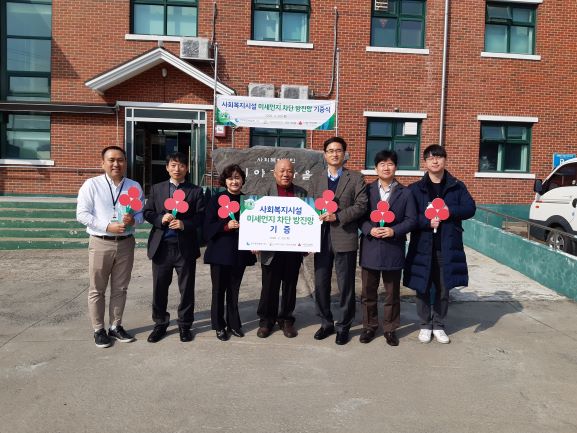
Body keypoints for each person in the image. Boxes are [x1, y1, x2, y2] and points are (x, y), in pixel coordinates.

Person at [403, 144, 476, 344]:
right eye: (431, 158)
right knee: (422, 286)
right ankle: (425, 324)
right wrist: (427, 222)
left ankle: (439, 324)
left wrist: (448, 210)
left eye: (439, 157)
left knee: (444, 288)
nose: (435, 161)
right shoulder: (416, 189)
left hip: (447, 246)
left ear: (445, 160)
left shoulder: (456, 186)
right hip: (423, 246)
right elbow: (409, 217)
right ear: (425, 162)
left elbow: (470, 208)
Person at [76, 145, 144, 348]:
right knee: (97, 289)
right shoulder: (92, 185)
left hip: (126, 243)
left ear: (125, 162)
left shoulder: (134, 186)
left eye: (120, 160)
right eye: (111, 160)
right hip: (100, 242)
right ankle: (98, 329)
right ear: (103, 163)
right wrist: (107, 226)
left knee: (120, 288)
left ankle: (116, 326)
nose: (116, 164)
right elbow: (82, 214)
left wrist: (133, 220)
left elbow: (141, 215)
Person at [309, 137, 368, 345]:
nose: (334, 154)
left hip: (345, 234)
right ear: (324, 155)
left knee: (346, 284)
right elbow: (309, 206)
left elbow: (362, 205)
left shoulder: (355, 178)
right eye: (330, 150)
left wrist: (339, 215)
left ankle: (344, 325)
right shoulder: (316, 178)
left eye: (338, 150)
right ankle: (326, 323)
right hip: (320, 237)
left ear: (344, 154)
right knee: (321, 281)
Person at [143, 152, 205, 343]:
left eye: (181, 165)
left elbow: (201, 217)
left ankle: (185, 326)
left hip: (184, 248)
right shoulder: (157, 189)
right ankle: (160, 324)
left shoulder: (195, 191)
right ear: (167, 167)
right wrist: (159, 219)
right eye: (173, 165)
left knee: (186, 289)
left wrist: (185, 224)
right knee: (159, 288)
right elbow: (147, 212)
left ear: (187, 168)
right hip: (161, 247)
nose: (177, 169)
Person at [358, 150, 416, 346]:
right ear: (375, 168)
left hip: (393, 248)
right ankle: (369, 326)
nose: (386, 167)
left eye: (390, 164)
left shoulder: (405, 192)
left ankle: (390, 328)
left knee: (392, 293)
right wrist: (369, 229)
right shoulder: (366, 190)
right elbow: (360, 217)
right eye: (382, 164)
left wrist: (394, 231)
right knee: (368, 291)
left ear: (396, 167)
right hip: (371, 247)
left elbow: (411, 220)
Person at [255, 159, 308, 339]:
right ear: (274, 173)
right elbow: (255, 218)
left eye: (289, 171)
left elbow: (306, 222)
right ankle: (266, 321)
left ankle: (286, 319)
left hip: (292, 250)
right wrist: (253, 240)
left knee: (290, 286)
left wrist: (308, 243)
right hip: (270, 250)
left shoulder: (301, 193)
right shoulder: (263, 192)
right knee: (269, 287)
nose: (286, 174)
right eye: (282, 171)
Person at [204, 164, 256, 341]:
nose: (234, 181)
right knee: (218, 290)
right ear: (225, 180)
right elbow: (207, 227)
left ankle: (234, 324)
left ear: (242, 180)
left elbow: (256, 226)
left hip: (239, 254)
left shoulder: (248, 201)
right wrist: (225, 226)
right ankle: (219, 326)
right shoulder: (215, 199)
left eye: (237, 177)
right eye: (230, 178)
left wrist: (256, 242)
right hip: (219, 253)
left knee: (234, 291)